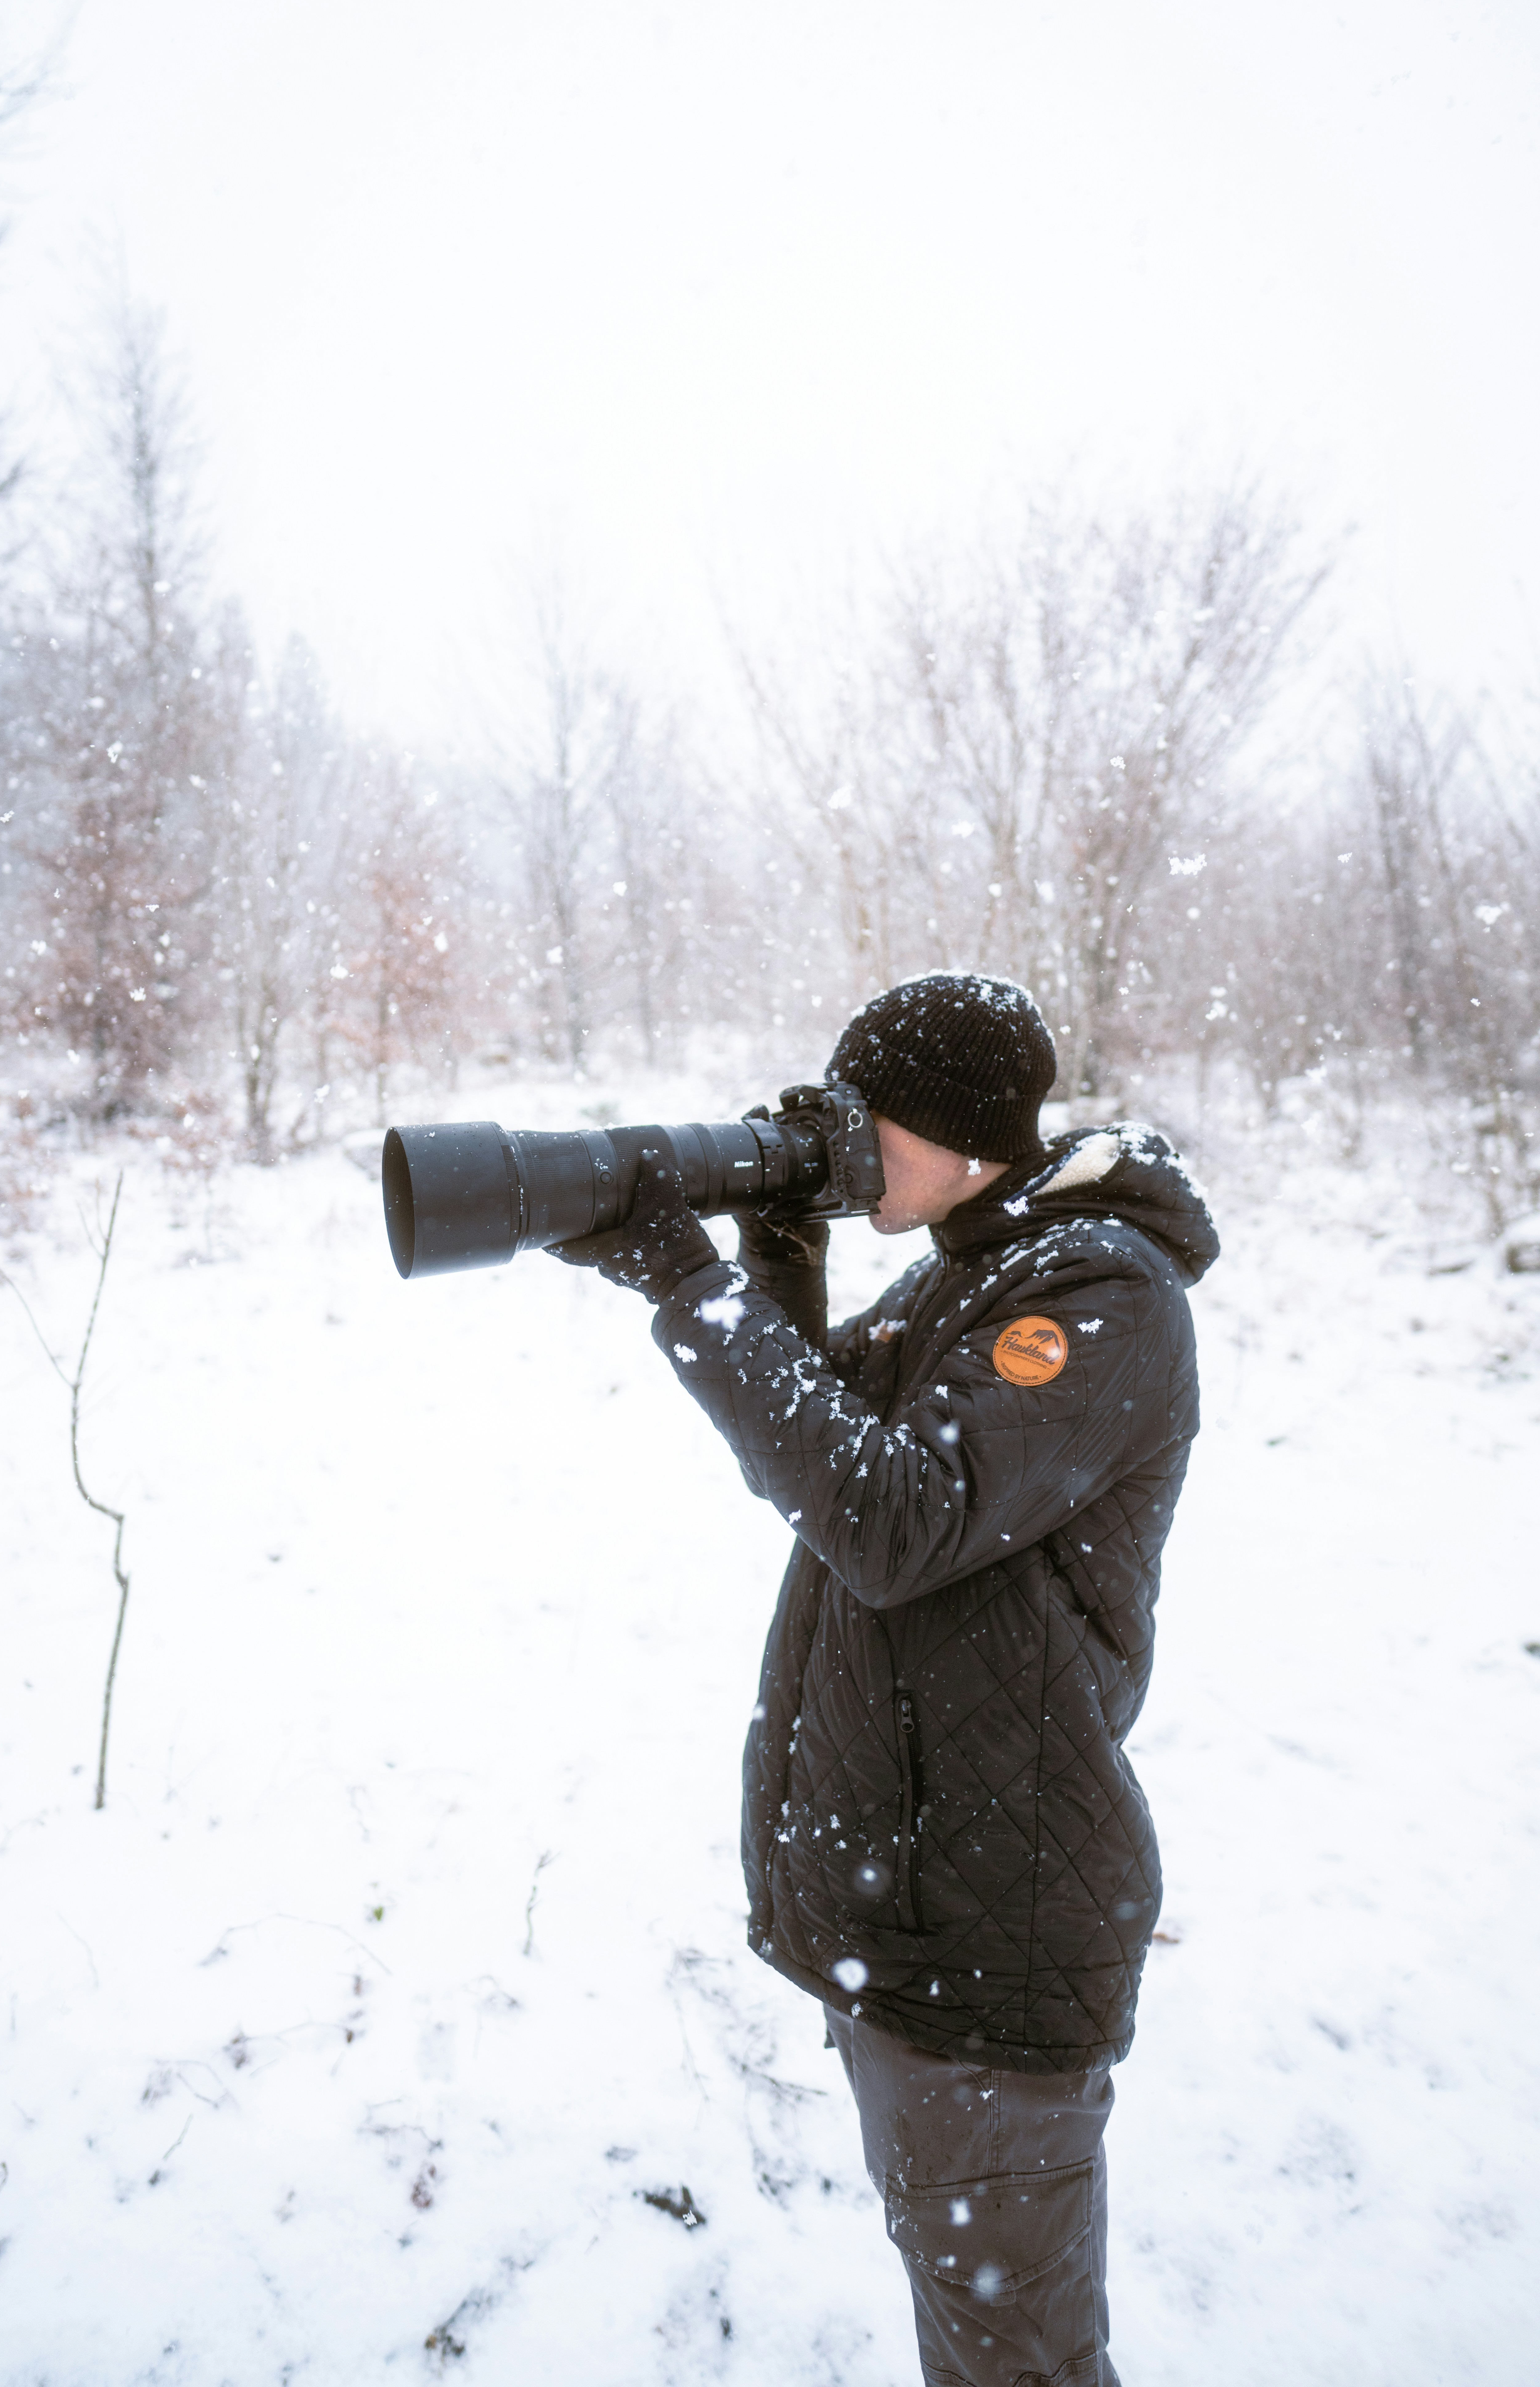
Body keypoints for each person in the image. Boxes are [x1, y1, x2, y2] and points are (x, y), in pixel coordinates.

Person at [550, 972, 1218, 2387]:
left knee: (1014, 2363)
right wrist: (766, 1258)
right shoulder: (974, 1258)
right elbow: (826, 1434)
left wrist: (694, 1281)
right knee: (971, 2330)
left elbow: (890, 1523)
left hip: (997, 1923)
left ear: (967, 1133)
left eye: (872, 1124)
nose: (851, 1148)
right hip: (921, 1911)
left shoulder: (1097, 1292)